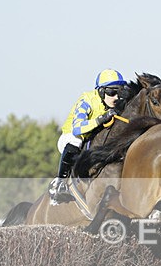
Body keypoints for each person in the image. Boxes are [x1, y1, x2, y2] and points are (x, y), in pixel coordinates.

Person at [49, 69, 129, 204]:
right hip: (72, 138)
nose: (116, 97)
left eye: (119, 92)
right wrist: (100, 120)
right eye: (112, 92)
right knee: (75, 140)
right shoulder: (86, 100)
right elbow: (77, 129)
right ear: (101, 91)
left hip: (93, 140)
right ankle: (60, 183)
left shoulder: (115, 104)